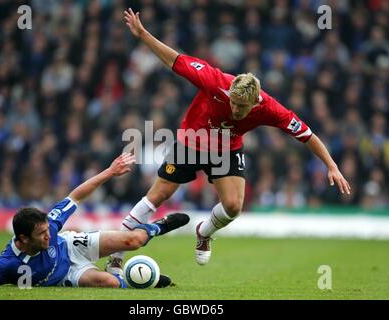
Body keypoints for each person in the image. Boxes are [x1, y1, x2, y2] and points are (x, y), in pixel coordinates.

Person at [106, 8, 352, 273]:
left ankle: (204, 232)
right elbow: (175, 60)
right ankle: (116, 255)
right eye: (233, 103)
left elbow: (307, 135)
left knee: (234, 206)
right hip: (191, 141)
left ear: (254, 103)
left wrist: (332, 165)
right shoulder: (214, 81)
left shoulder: (270, 108)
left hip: (226, 149)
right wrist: (142, 34)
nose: (235, 110)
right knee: (157, 196)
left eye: (241, 107)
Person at [0, 153, 189, 288]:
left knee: (134, 240)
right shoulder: (8, 263)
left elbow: (76, 196)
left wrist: (110, 172)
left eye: (47, 231)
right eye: (41, 235)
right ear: (23, 238)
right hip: (67, 276)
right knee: (110, 283)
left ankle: (160, 225)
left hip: (72, 247)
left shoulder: (49, 225)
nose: (48, 235)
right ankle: (141, 279)